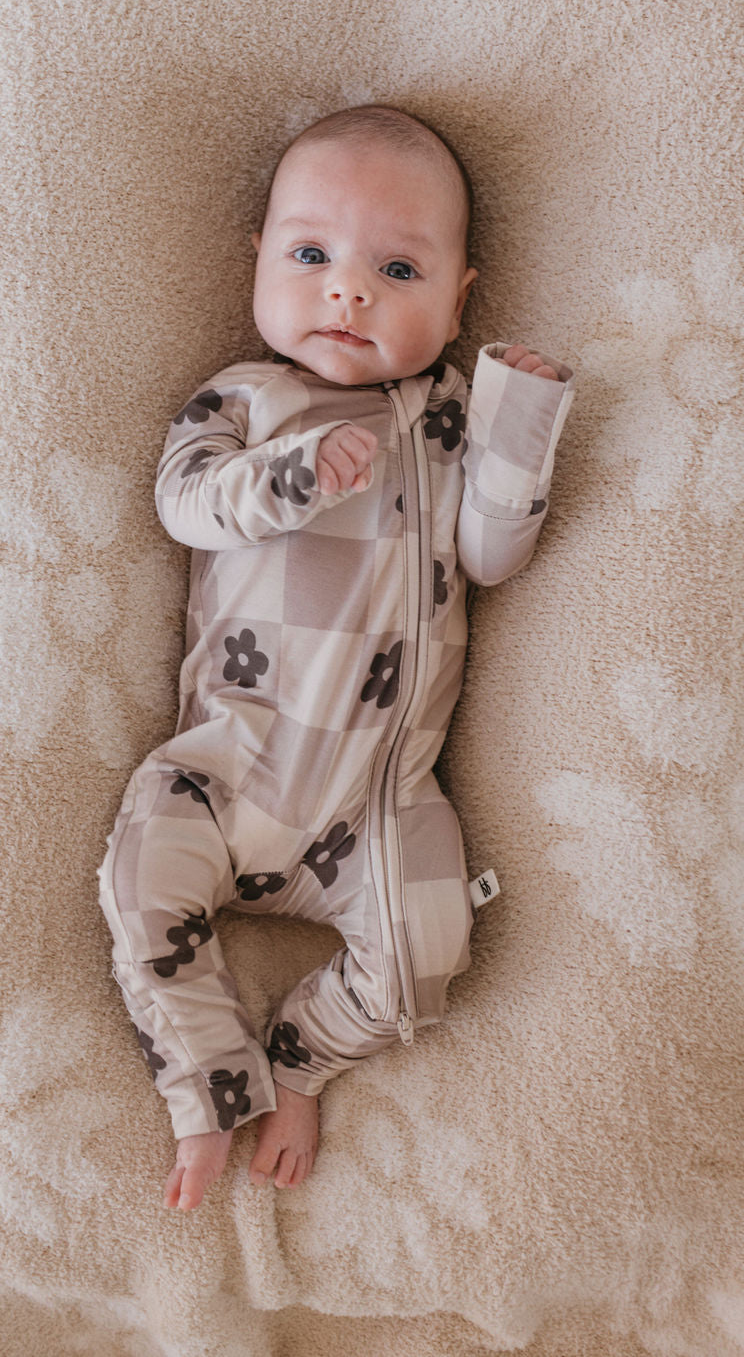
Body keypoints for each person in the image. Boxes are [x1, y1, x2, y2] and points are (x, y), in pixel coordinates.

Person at [97, 104, 575, 1212]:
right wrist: (295, 475)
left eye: (395, 266)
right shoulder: (247, 397)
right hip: (224, 765)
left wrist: (518, 417)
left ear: (457, 299)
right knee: (137, 880)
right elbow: (184, 504)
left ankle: (302, 1054)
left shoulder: (442, 418)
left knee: (435, 942)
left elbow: (496, 555)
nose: (347, 290)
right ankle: (207, 1078)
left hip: (378, 803)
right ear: (256, 260)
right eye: (310, 254)